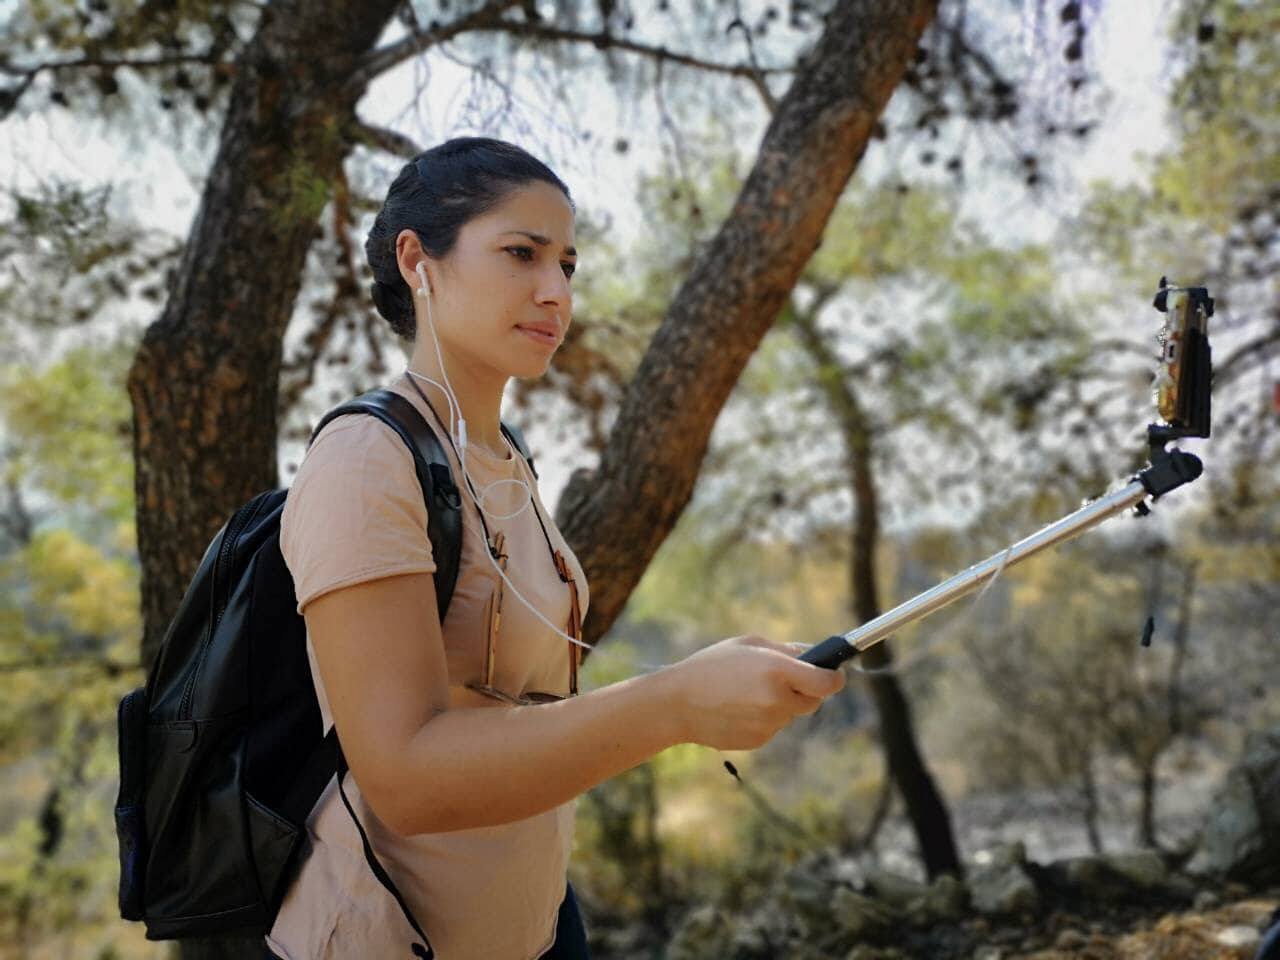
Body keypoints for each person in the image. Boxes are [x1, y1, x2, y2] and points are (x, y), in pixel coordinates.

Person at [264, 136, 846, 960]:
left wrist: (719, 674)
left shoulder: (505, 456)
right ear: (415, 260)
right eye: (521, 253)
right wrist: (678, 703)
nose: (555, 292)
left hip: (539, 927)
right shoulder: (366, 460)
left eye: (567, 264)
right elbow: (404, 778)